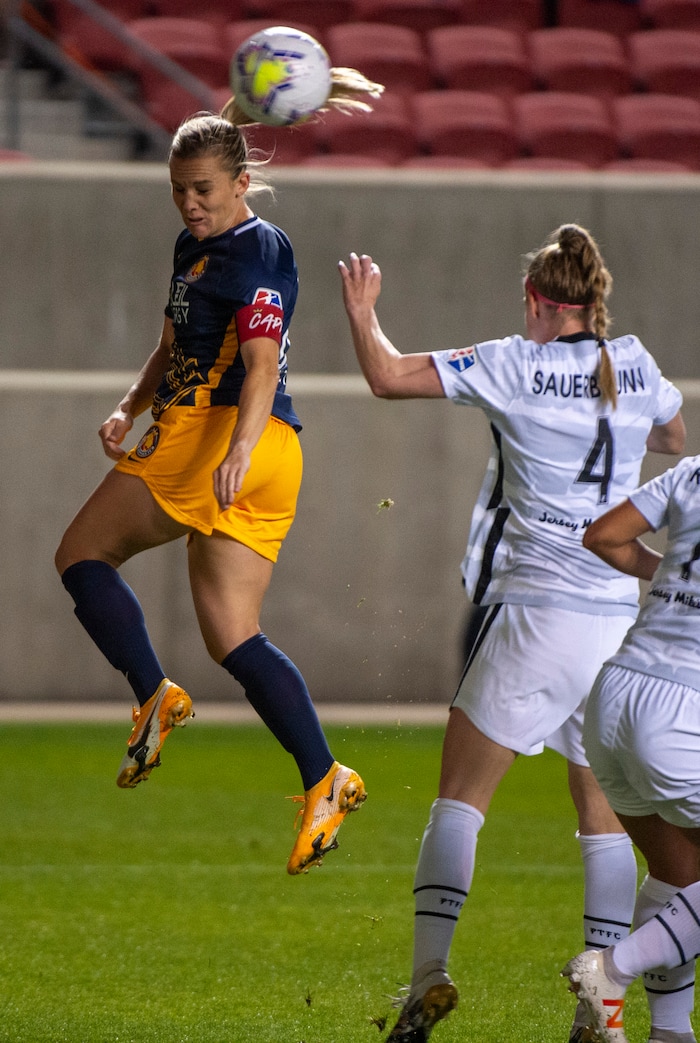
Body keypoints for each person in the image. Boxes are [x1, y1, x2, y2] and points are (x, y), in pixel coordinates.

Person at [338, 225, 686, 1041]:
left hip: (536, 612)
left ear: (536, 303)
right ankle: (599, 1007)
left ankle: (428, 974)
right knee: (601, 816)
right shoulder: (632, 361)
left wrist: (362, 311)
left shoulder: (516, 361)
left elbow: (388, 376)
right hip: (617, 623)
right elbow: (671, 434)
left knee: (460, 799)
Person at [54, 70, 384, 876]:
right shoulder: (195, 248)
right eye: (178, 192)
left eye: (202, 189)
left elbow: (263, 359)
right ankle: (324, 778)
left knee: (79, 555)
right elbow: (173, 344)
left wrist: (235, 445)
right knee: (234, 636)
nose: (189, 204)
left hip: (221, 439)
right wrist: (129, 404)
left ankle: (153, 694)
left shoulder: (260, 245)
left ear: (242, 183)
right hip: (264, 454)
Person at [562, 453, 700, 1043]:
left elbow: (605, 536)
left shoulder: (692, 470)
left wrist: (678, 575)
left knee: (677, 876)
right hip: (679, 712)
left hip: (615, 694)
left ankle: (669, 1032)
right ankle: (610, 969)